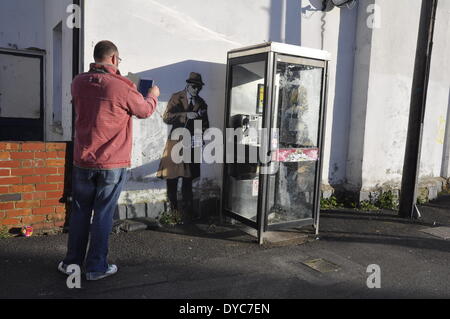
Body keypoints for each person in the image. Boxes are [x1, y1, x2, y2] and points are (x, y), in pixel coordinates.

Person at [58, 40, 160, 281]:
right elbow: (144, 111)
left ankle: (72, 263)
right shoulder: (123, 87)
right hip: (111, 163)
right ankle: (95, 268)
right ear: (114, 59)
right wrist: (152, 95)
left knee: (80, 212)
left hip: (83, 160)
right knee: (103, 214)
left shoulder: (78, 82)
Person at [157, 73, 209, 222]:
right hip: (176, 143)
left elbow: (205, 124)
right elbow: (167, 117)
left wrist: (200, 138)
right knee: (172, 178)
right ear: (188, 85)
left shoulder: (202, 103)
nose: (196, 90)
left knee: (188, 179)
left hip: (192, 145)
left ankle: (188, 211)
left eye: (199, 87)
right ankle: (173, 212)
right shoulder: (176, 97)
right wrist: (185, 115)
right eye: (194, 86)